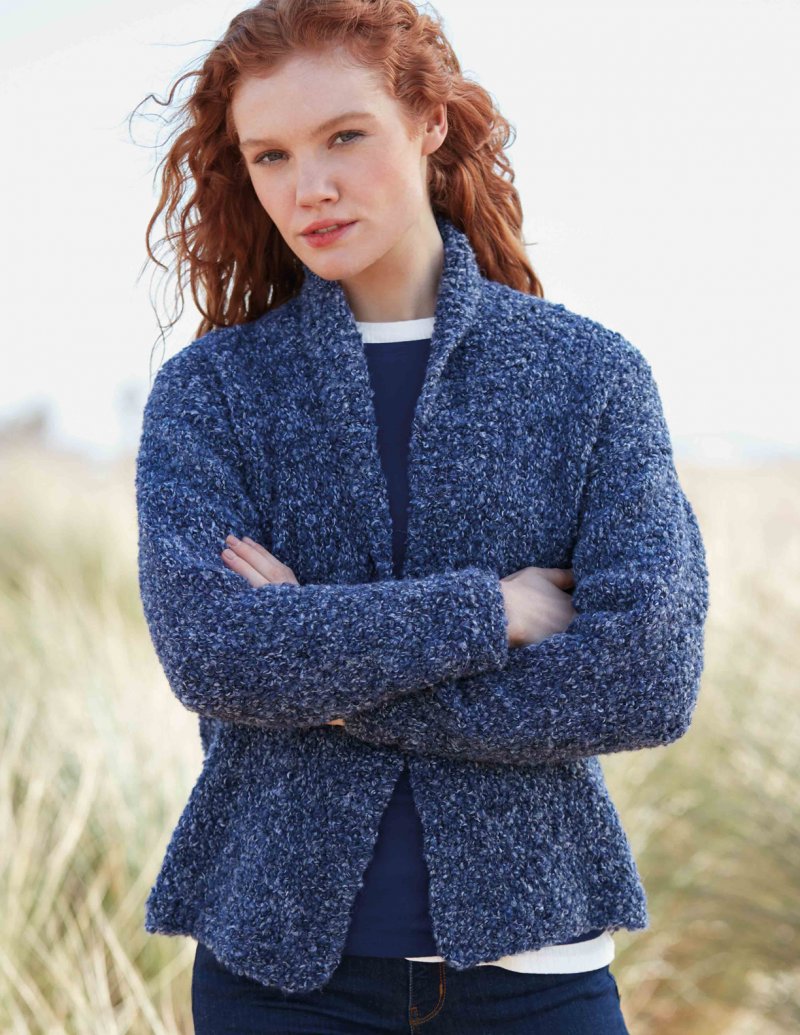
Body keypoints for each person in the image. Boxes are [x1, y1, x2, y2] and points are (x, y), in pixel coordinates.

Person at [133, 1, 709, 1031]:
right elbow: (215, 656)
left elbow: (646, 678)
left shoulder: (586, 377)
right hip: (277, 980)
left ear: (427, 122)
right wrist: (490, 612)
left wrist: (328, 680)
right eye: (271, 156)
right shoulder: (213, 392)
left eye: (344, 136)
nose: (309, 187)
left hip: (537, 973)